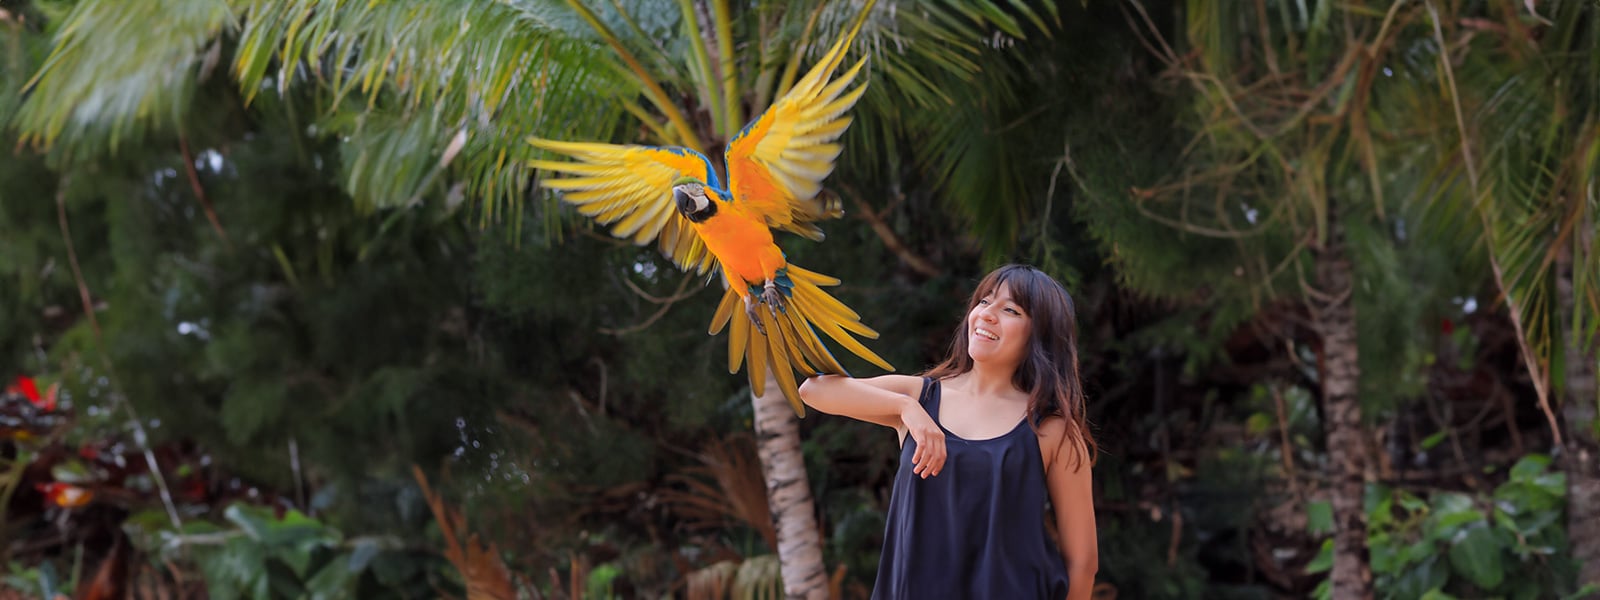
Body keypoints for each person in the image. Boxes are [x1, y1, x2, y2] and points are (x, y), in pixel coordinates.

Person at [799, 264, 1098, 600]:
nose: (987, 315)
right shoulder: (918, 397)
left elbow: (1082, 562)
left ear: (1039, 334)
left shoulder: (1052, 429)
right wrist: (906, 410)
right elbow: (814, 390)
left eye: (1010, 309)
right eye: (984, 302)